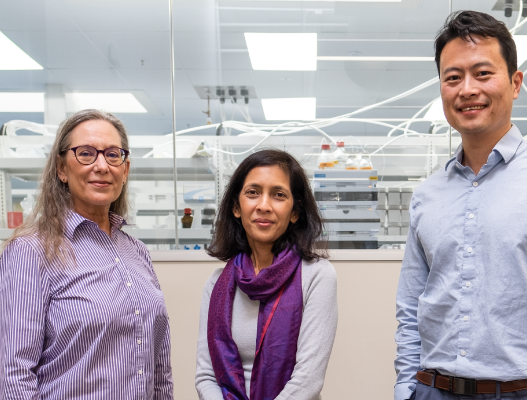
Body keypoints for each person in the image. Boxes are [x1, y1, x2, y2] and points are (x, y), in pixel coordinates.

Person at [394, 11, 527, 400]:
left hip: (525, 393)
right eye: (453, 78)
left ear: (516, 82)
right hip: (431, 390)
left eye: (483, 73)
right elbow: (411, 306)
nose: (467, 89)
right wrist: (406, 387)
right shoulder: (427, 194)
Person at [0, 109, 173, 399]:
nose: (102, 165)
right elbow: (14, 375)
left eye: (113, 154)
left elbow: (159, 369)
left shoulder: (137, 252)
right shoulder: (31, 251)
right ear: (62, 169)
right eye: (86, 153)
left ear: (125, 169)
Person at [195, 149, 338, 400]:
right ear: (236, 207)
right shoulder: (217, 283)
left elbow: (308, 380)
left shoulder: (317, 276)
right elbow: (206, 376)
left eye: (279, 195)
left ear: (295, 212)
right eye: (253, 192)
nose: (264, 205)